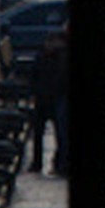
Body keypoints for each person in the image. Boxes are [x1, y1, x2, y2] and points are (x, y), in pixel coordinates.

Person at [30, 29, 68, 174]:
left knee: (60, 134)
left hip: (53, 98)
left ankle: (57, 163)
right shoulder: (43, 56)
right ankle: (40, 162)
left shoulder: (60, 57)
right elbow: (34, 75)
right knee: (41, 133)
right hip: (45, 98)